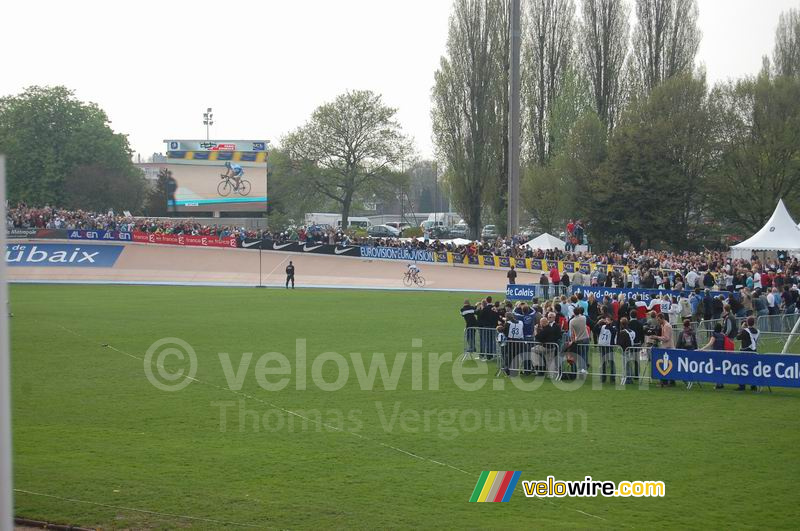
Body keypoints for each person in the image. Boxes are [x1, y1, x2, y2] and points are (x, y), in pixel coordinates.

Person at [736, 316, 760, 391]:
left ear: (747, 323)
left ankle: (742, 385)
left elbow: (738, 337)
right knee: (752, 368)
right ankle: (753, 385)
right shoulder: (757, 331)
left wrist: (741, 328)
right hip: (754, 351)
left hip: (745, 351)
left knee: (743, 368)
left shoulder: (745, 331)